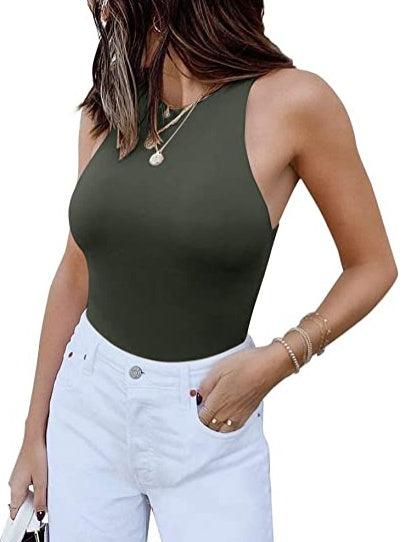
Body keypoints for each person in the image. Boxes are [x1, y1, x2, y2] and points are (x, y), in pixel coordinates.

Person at [6, 1, 398, 541]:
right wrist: (34, 432)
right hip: (86, 406)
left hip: (212, 414)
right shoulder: (109, 106)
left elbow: (373, 265)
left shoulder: (294, 102)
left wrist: (279, 360)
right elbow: (76, 272)